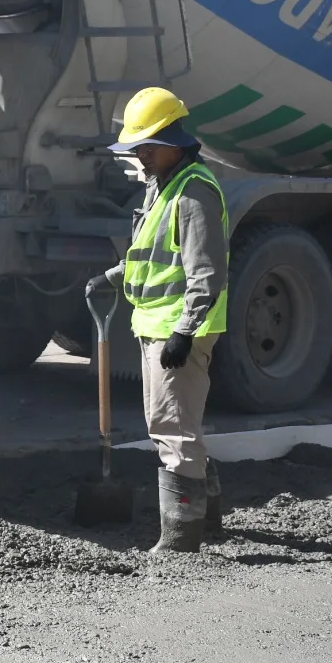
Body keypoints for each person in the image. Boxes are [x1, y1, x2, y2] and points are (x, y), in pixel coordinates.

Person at [87, 87, 229, 553]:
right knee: (175, 424)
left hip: (176, 331)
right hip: (156, 325)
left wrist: (184, 332)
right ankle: (206, 521)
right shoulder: (164, 186)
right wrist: (113, 275)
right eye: (136, 148)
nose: (140, 156)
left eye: (146, 147)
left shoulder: (193, 193)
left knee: (172, 428)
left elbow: (206, 270)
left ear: (173, 140)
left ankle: (181, 540)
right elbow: (153, 252)